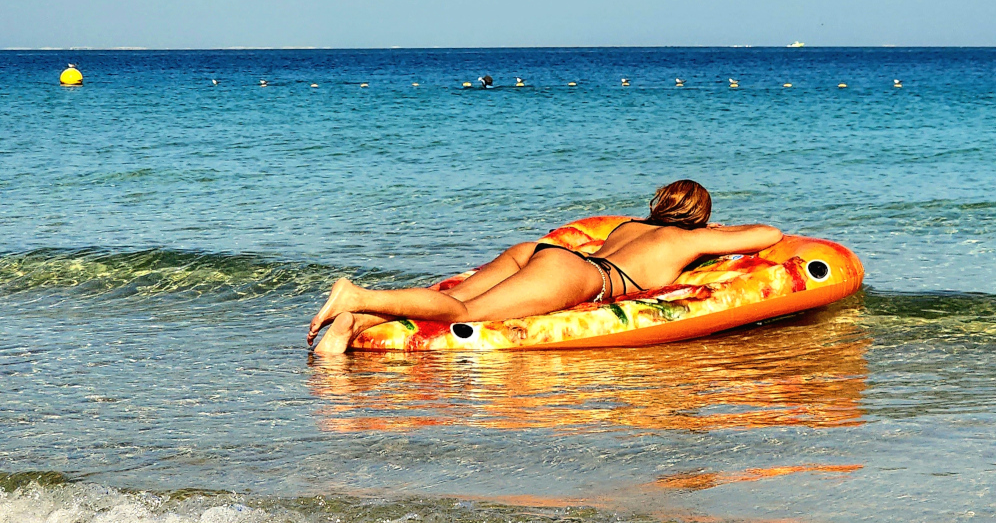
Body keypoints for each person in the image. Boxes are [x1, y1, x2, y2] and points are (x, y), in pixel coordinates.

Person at [307, 180, 782, 355]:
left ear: (658, 204)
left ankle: (354, 322)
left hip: (546, 254)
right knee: (459, 311)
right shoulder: (690, 239)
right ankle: (358, 296)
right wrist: (716, 230)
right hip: (578, 279)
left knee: (464, 298)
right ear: (699, 216)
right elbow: (770, 235)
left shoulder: (631, 225)